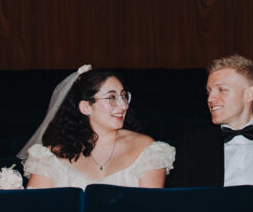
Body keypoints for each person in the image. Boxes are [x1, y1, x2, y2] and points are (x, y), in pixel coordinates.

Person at [18, 65, 175, 189]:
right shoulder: (50, 157)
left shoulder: (147, 149)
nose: (123, 105)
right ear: (86, 107)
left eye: (124, 96)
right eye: (111, 98)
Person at [168, 54, 253, 187]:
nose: (210, 99)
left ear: (249, 94)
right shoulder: (193, 144)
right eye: (209, 92)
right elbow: (180, 200)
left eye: (221, 90)